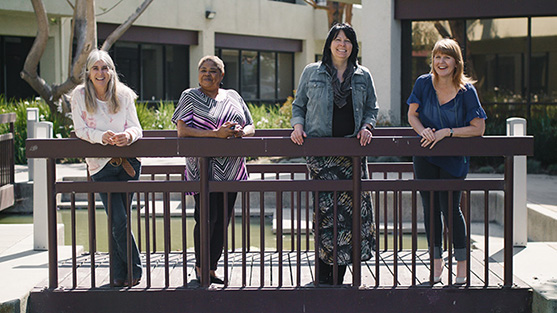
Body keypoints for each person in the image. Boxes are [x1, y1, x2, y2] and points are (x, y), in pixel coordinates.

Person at [290, 23, 378, 285]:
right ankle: (324, 277)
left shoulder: (363, 76)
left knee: (352, 217)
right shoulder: (311, 72)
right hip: (322, 156)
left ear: (354, 46)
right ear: (329, 44)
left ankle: (340, 279)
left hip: (352, 156)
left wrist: (367, 126)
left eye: (348, 40)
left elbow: (372, 108)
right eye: (338, 39)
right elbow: (299, 105)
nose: (343, 44)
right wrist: (297, 126)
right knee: (326, 216)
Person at [407, 38, 487, 285]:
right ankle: (436, 267)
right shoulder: (423, 83)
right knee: (430, 210)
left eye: (447, 57)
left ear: (456, 62)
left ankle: (462, 267)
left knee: (451, 210)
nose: (441, 62)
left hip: (453, 160)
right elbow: (412, 115)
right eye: (437, 57)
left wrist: (447, 132)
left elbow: (479, 127)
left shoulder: (466, 91)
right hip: (426, 156)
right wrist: (424, 131)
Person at [171, 55, 255, 284]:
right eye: (203, 70)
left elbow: (251, 125)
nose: (207, 74)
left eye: (213, 70)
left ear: (222, 75)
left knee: (223, 219)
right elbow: (182, 131)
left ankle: (212, 268)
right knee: (208, 218)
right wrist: (216, 134)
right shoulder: (190, 96)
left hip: (232, 168)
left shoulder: (233, 96)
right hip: (204, 169)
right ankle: (201, 267)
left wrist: (240, 133)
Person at [71, 49, 143, 287]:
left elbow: (137, 128)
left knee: (118, 220)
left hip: (128, 165)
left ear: (112, 71)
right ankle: (135, 268)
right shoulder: (79, 96)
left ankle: (119, 275)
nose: (100, 73)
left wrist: (127, 137)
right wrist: (103, 137)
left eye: (105, 68)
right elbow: (80, 131)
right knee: (119, 220)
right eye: (96, 68)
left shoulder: (123, 95)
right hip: (100, 166)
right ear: (89, 73)